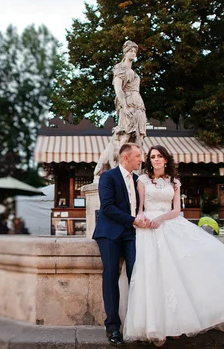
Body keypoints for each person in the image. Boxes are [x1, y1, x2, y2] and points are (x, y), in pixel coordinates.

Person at [123, 145, 224, 346]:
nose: (155, 159)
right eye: (152, 156)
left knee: (182, 272)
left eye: (159, 156)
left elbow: (176, 210)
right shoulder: (143, 180)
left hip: (169, 222)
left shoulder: (174, 182)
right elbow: (139, 208)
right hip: (148, 230)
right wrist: (142, 218)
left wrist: (161, 219)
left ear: (165, 160)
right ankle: (156, 325)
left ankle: (177, 324)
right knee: (154, 274)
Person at [93, 142, 144, 346]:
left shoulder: (138, 179)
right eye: (138, 156)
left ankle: (136, 325)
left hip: (132, 234)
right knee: (111, 274)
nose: (141, 159)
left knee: (138, 274)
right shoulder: (108, 176)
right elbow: (107, 207)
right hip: (110, 233)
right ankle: (113, 327)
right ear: (126, 158)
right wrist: (132, 220)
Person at [113, 41, 147, 153]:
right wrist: (125, 106)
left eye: (135, 51)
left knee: (140, 136)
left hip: (139, 105)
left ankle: (137, 162)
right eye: (130, 51)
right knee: (126, 133)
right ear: (125, 53)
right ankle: (120, 162)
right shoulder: (120, 68)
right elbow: (118, 88)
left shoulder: (134, 72)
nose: (133, 53)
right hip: (128, 102)